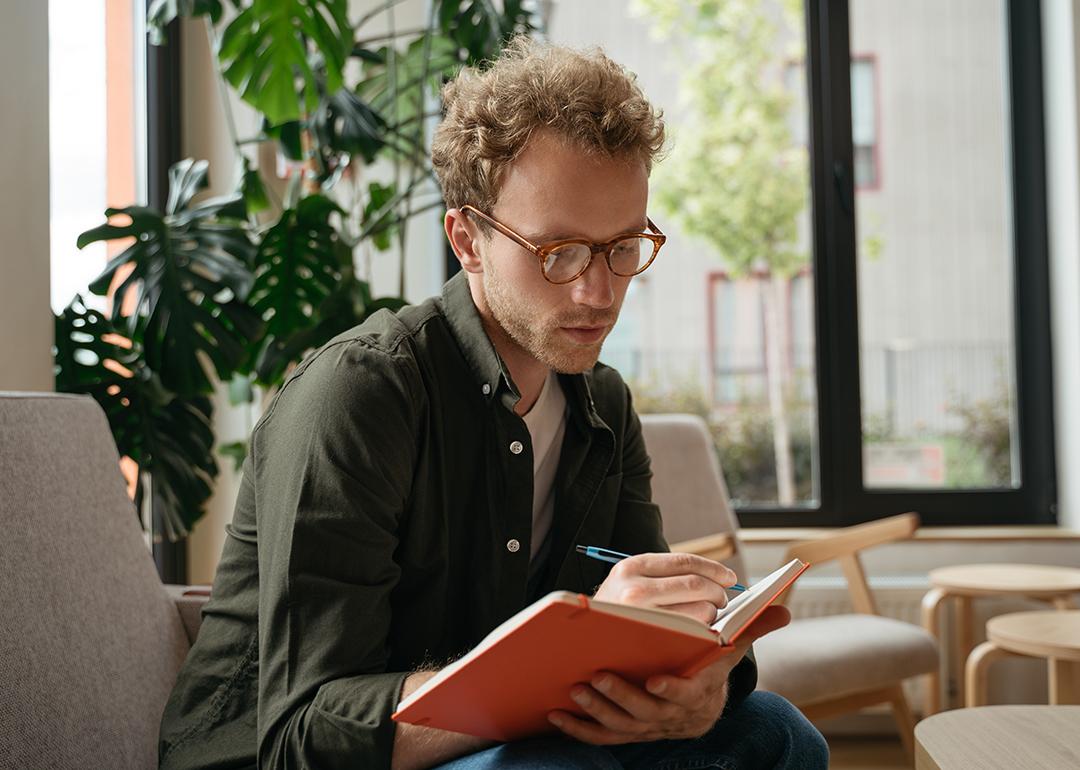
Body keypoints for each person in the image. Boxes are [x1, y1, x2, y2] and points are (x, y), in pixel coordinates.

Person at [158, 36, 829, 770]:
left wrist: (699, 688)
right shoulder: (360, 395)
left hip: (513, 732)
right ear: (468, 240)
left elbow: (656, 629)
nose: (598, 292)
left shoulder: (602, 405)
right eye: (558, 252)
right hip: (299, 757)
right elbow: (303, 733)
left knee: (775, 733)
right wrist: (555, 679)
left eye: (622, 246)